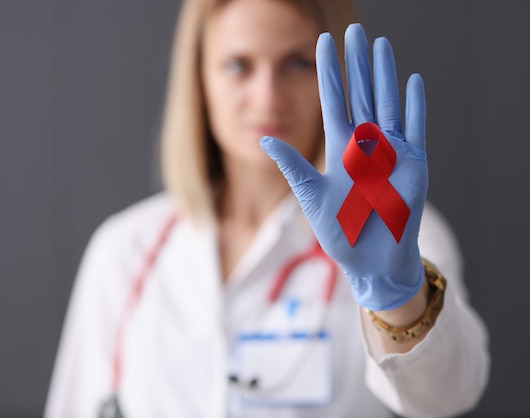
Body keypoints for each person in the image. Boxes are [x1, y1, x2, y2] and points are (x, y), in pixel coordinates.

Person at [45, 0, 490, 416]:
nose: (268, 99)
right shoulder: (126, 249)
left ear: (329, 75)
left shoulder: (394, 231)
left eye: (297, 63)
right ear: (199, 77)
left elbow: (449, 394)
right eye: (239, 65)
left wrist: (398, 297)